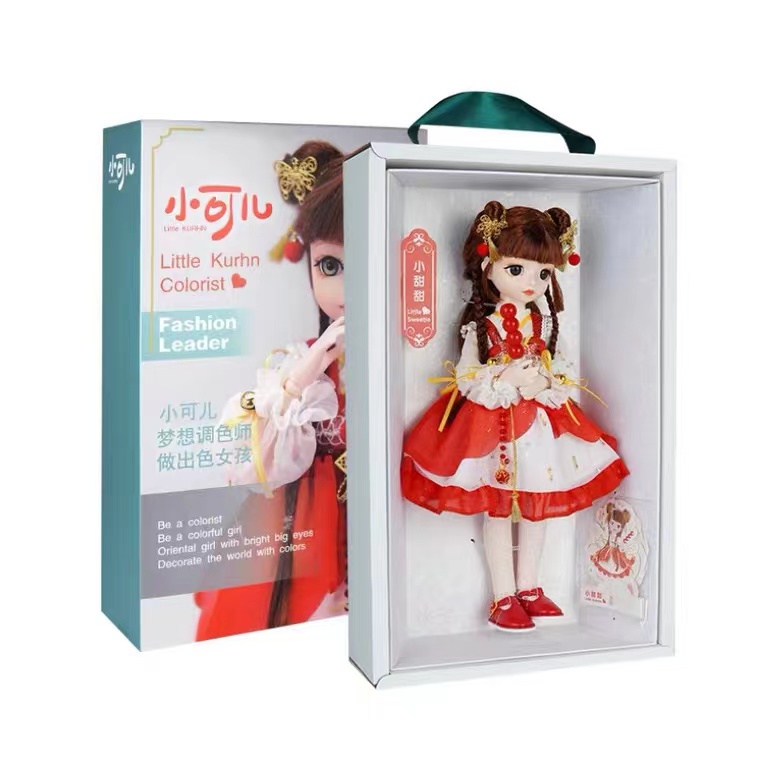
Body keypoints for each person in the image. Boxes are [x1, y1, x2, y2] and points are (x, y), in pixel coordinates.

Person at [401, 202, 629, 631]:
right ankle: (503, 595)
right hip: (494, 429)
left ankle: (530, 586)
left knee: (538, 506)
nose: (531, 283)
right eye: (517, 269)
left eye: (543, 274)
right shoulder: (481, 327)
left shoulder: (544, 327)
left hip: (539, 427)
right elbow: (467, 377)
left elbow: (563, 370)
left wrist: (545, 383)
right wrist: (504, 377)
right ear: (488, 265)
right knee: (499, 510)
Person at [195, 141, 348, 639]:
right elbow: (263, 453)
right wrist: (310, 368)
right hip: (310, 518)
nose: (347, 288)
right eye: (330, 266)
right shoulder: (298, 362)